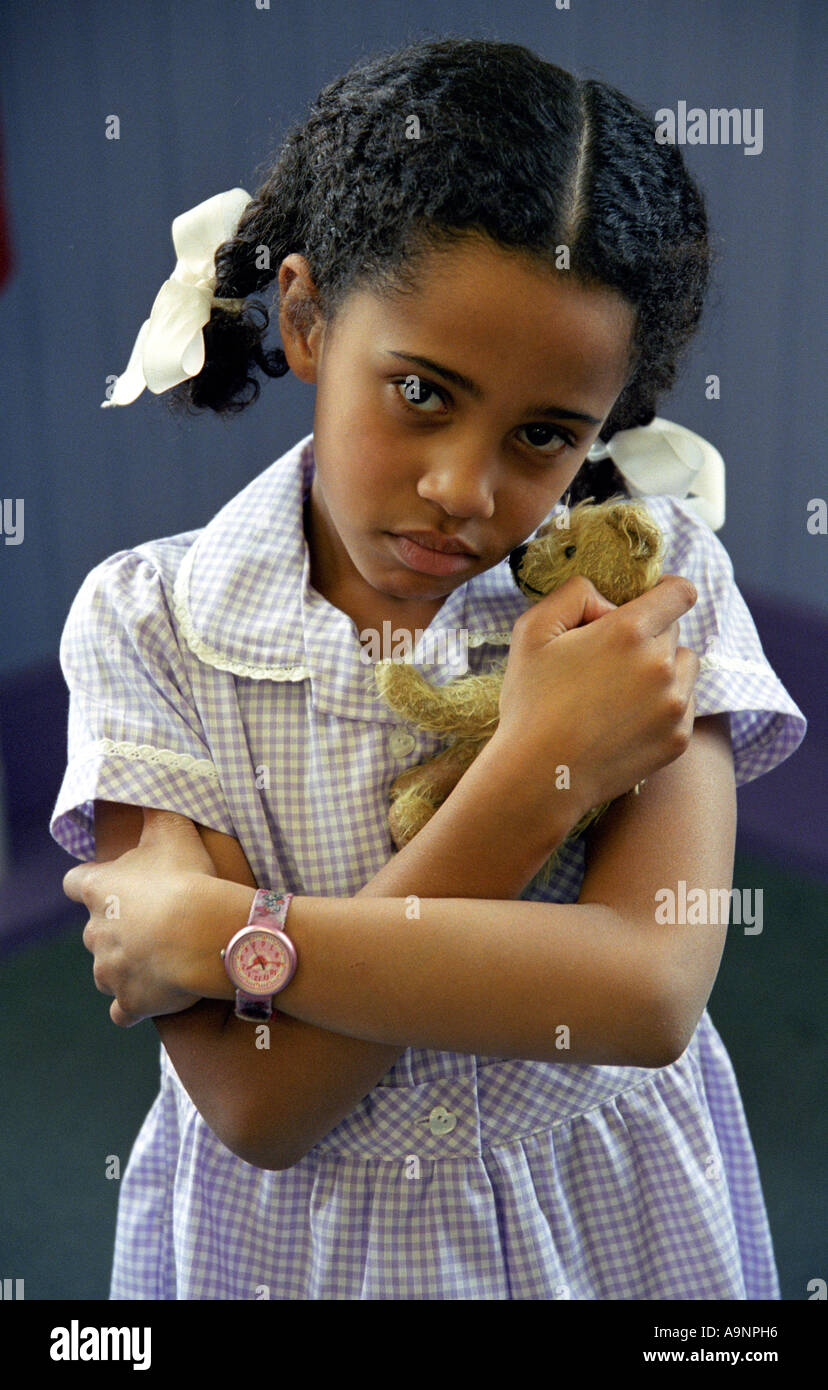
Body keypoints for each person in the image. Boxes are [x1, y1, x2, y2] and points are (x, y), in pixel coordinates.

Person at [53, 37, 805, 1300]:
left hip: (607, 1224)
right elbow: (260, 1101)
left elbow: (644, 991)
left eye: (545, 434)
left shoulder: (653, 583)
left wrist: (237, 935)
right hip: (292, 1254)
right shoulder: (150, 624)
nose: (465, 489)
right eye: (419, 390)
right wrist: (535, 777)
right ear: (304, 319)